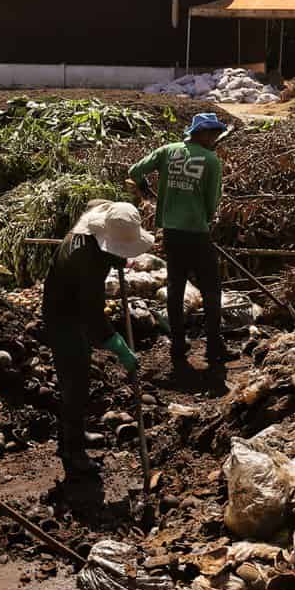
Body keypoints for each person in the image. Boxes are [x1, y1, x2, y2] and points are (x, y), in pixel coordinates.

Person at [41, 201, 152, 479]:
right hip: (63, 314)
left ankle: (74, 435)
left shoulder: (98, 214)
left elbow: (97, 203)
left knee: (78, 374)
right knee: (75, 380)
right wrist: (117, 345)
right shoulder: (85, 261)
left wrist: (118, 256)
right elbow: (93, 316)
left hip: (73, 303)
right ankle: (72, 451)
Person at [126, 112, 229, 372]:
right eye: (213, 135)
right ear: (204, 134)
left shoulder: (168, 151)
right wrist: (204, 221)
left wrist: (146, 190)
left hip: (171, 232)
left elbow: (135, 171)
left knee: (175, 287)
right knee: (211, 289)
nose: (215, 139)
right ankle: (214, 347)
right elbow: (211, 202)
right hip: (196, 232)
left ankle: (178, 344)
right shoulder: (211, 160)